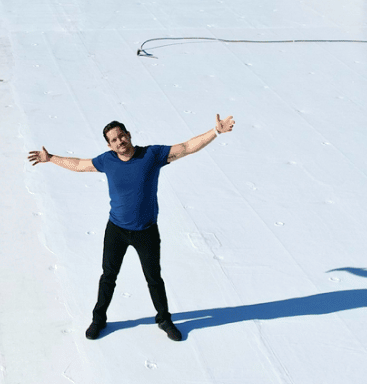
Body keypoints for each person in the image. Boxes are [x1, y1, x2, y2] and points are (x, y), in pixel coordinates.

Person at [28, 115, 236, 342]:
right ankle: (99, 320)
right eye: (114, 140)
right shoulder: (107, 160)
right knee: (108, 276)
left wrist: (215, 132)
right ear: (109, 145)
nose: (119, 142)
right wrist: (50, 158)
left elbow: (186, 147)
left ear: (128, 135)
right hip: (116, 230)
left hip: (146, 231)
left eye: (121, 136)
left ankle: (164, 319)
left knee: (153, 277)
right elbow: (79, 165)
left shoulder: (151, 155)